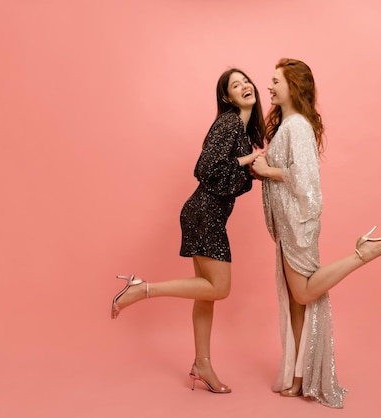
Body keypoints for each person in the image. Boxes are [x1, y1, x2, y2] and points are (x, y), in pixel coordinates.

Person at [251, 58, 381, 408]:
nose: (270, 86)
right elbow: (286, 171)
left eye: (275, 81)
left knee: (303, 294)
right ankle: (297, 376)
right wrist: (261, 167)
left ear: (293, 86)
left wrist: (266, 170)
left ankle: (361, 253)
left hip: (297, 222)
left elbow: (304, 181)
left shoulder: (297, 127)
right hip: (287, 222)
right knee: (296, 301)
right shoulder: (287, 126)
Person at [110, 68, 265, 394]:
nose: (244, 86)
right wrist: (248, 160)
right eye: (235, 85)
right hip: (204, 213)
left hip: (204, 213)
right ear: (227, 97)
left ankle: (202, 364)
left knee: (204, 294)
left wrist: (253, 168)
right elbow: (205, 169)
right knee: (218, 289)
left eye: (246, 81)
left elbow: (228, 175)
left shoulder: (242, 131)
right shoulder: (230, 123)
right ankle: (142, 289)